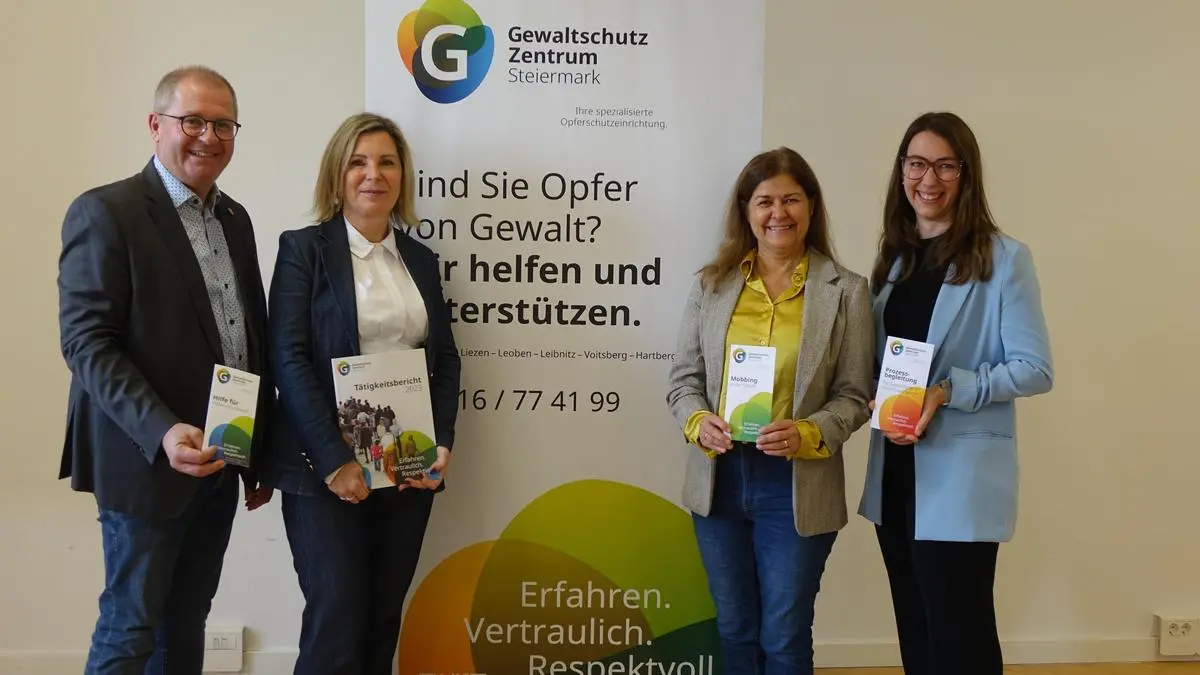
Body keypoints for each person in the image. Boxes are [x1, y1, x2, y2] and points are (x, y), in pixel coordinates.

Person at [56, 65, 274, 675]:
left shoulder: (235, 220)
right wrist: (162, 430)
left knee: (186, 624)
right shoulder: (108, 212)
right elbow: (87, 344)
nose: (209, 136)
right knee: (131, 628)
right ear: (156, 125)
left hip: (220, 458)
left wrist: (257, 450)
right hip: (145, 460)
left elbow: (246, 338)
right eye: (192, 121)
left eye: (224, 125)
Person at [262, 112, 461, 675]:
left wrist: (440, 443)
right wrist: (335, 462)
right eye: (358, 162)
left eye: (387, 162)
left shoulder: (420, 260)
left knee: (380, 622)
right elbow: (288, 359)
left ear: (402, 176)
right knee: (337, 624)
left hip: (406, 468)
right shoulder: (303, 250)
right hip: (322, 470)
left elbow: (445, 359)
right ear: (337, 174)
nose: (373, 174)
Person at [857, 112, 1053, 675]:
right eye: (917, 164)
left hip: (959, 480)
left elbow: (1034, 369)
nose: (929, 179)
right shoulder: (894, 260)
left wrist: (947, 390)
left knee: (960, 637)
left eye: (946, 166)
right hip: (895, 472)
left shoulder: (1004, 259)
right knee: (916, 631)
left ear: (967, 175)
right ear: (901, 171)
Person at [666, 147, 874, 673]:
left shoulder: (847, 292)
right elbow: (684, 381)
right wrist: (698, 422)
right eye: (765, 201)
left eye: (791, 199)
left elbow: (854, 395)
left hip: (796, 483)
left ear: (811, 206)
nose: (778, 213)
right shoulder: (711, 285)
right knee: (734, 629)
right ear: (746, 210)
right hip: (720, 479)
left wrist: (809, 432)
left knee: (783, 636)